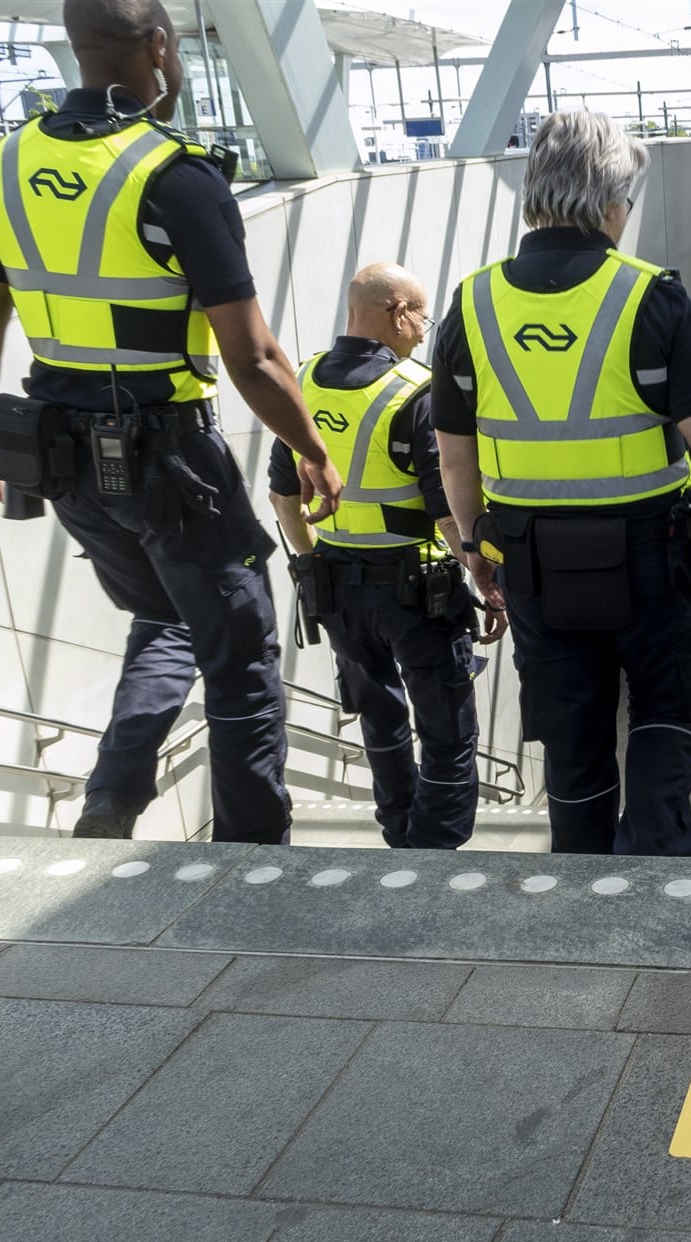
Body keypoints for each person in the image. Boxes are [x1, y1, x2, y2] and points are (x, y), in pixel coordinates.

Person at [0, 0, 341, 843]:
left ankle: (112, 796)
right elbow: (254, 357)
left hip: (58, 458)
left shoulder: (4, 166)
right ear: (158, 47)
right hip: (168, 459)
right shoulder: (178, 175)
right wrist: (310, 447)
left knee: (165, 615)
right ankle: (254, 860)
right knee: (240, 654)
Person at [433, 110, 691, 857]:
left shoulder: (473, 304)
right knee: (663, 725)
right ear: (613, 198)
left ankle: (583, 900)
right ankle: (652, 891)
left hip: (533, 571)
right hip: (652, 565)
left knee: (572, 749)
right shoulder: (651, 296)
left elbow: (455, 460)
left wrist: (472, 551)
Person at [268, 264, 500, 850]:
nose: (423, 331)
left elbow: (282, 495)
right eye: (421, 317)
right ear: (398, 313)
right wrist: (487, 582)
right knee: (446, 727)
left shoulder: (303, 381)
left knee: (379, 719)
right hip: (418, 593)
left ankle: (399, 834)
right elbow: (447, 512)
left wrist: (310, 565)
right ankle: (434, 850)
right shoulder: (416, 392)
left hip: (338, 588)